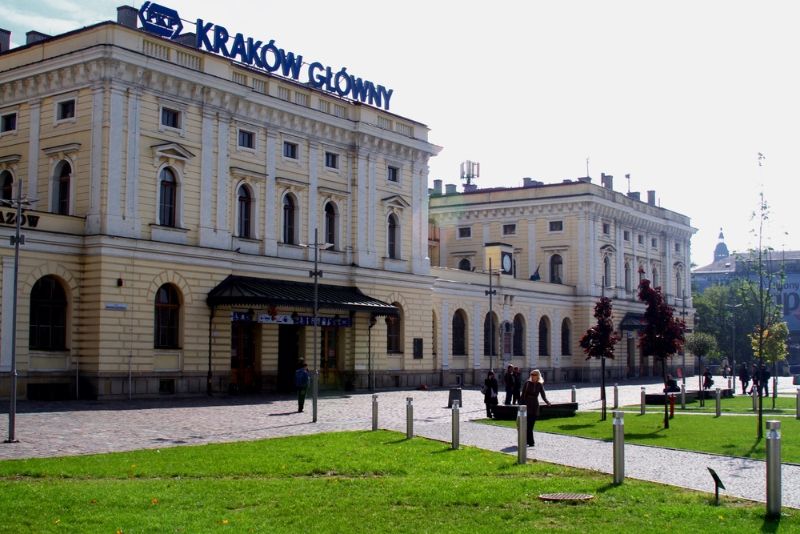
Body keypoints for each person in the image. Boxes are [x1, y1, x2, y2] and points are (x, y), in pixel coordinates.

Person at [520, 369, 550, 446]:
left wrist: (547, 402)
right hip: (527, 405)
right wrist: (521, 405)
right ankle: (530, 442)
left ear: (538, 376)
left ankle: (528, 441)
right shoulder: (527, 383)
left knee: (531, 425)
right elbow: (523, 395)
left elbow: (543, 395)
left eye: (534, 375)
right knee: (527, 425)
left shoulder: (540, 385)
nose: (532, 376)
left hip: (535, 406)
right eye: (531, 375)